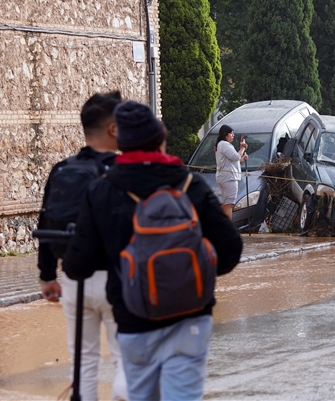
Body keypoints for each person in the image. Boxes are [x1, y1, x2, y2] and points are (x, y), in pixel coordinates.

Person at [63, 101, 243, 400]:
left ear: (121, 143)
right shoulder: (190, 186)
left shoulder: (102, 190)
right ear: (161, 138)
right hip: (191, 317)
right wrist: (191, 272)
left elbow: (77, 265)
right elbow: (231, 250)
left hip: (134, 319)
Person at [36, 91, 127, 401]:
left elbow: (46, 222)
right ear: (114, 129)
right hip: (118, 278)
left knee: (83, 365)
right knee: (125, 361)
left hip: (74, 280)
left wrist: (47, 275)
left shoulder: (62, 169)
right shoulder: (125, 172)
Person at [214, 124, 248, 219]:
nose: (233, 135)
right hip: (229, 178)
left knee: (225, 204)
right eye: (231, 133)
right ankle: (227, 229)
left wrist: (242, 159)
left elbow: (233, 160)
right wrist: (243, 147)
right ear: (225, 134)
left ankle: (223, 227)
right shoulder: (225, 144)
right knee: (229, 204)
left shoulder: (221, 144)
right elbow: (236, 156)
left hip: (224, 177)